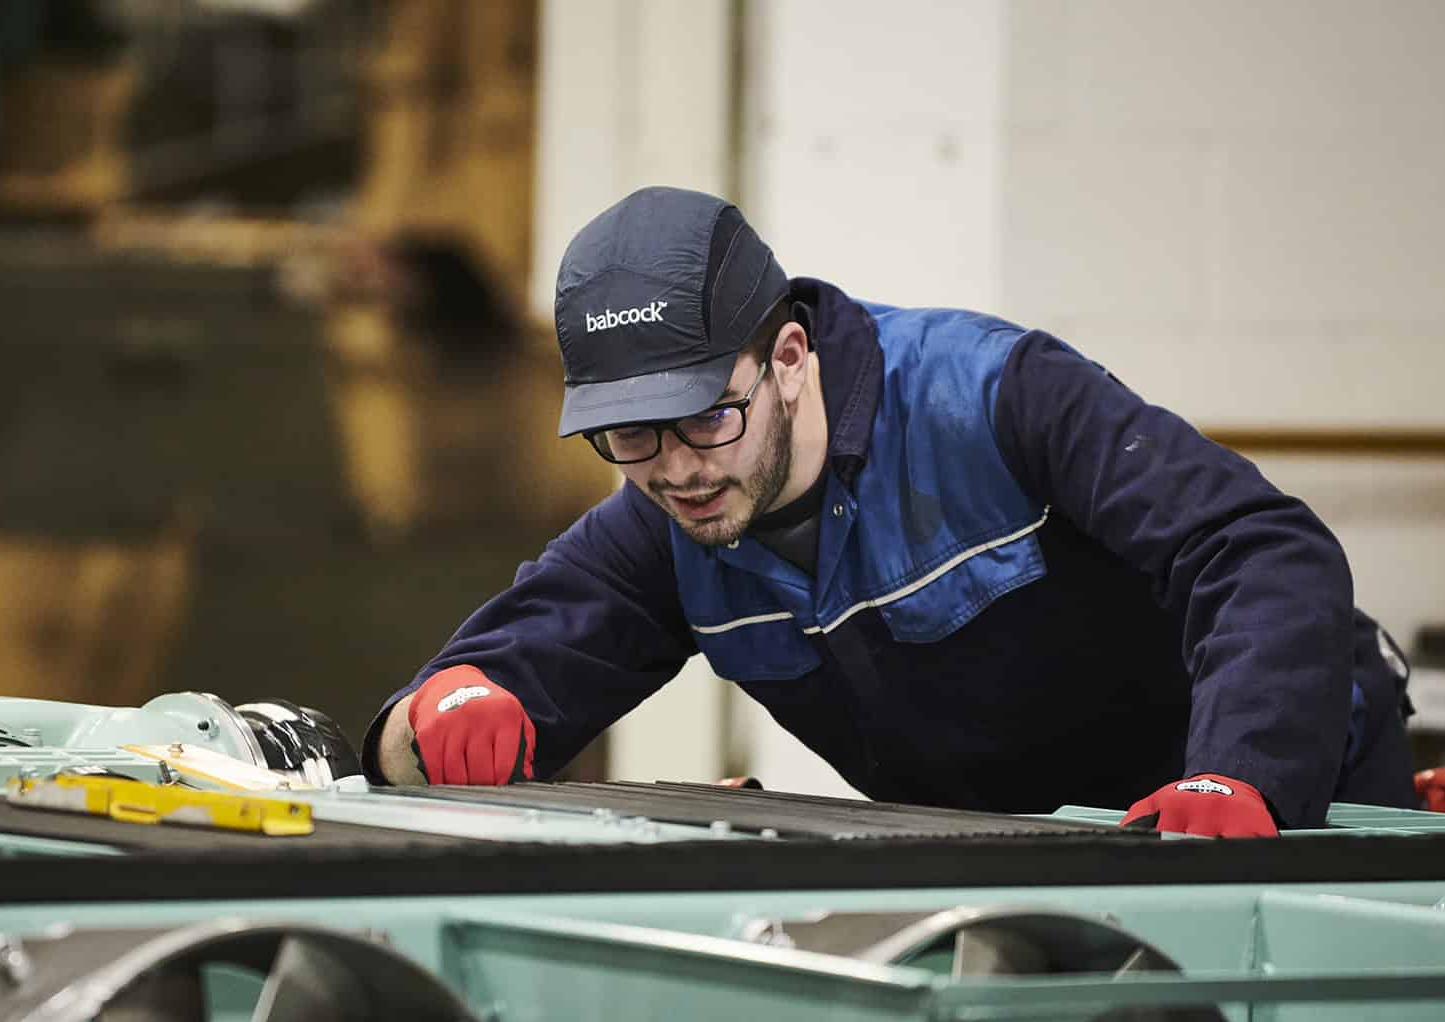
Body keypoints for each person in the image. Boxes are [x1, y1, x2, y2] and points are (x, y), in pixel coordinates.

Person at [363, 186, 1418, 836]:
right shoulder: (669, 518)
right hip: (1030, 848)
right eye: (628, 436)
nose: (675, 469)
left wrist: (1242, 776)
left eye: (704, 419)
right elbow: (496, 675)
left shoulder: (995, 398)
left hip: (1270, 796)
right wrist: (437, 717)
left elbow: (1255, 547)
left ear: (787, 357)